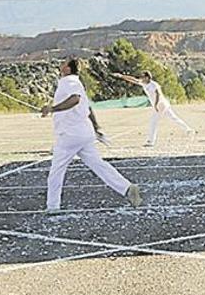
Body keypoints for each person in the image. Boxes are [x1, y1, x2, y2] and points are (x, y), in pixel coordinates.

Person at [42, 59, 142, 213]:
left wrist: (52, 108)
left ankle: (52, 207)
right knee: (98, 165)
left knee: (57, 170)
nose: (60, 65)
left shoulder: (68, 81)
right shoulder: (77, 82)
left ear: (68, 69)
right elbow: (87, 107)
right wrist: (96, 128)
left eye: (63, 63)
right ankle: (127, 188)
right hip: (85, 132)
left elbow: (75, 99)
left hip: (70, 134)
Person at [112, 70, 195, 146]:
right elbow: (133, 79)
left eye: (143, 76)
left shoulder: (154, 84)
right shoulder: (144, 83)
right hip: (161, 105)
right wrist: (121, 76)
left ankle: (151, 141)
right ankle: (188, 130)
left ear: (147, 77)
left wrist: (155, 105)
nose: (141, 78)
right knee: (173, 118)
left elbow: (158, 94)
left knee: (153, 122)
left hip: (161, 104)